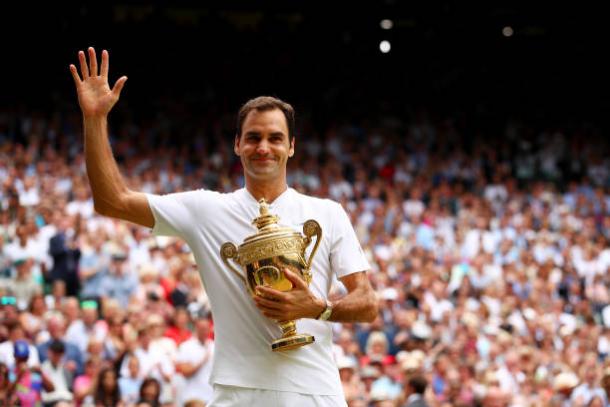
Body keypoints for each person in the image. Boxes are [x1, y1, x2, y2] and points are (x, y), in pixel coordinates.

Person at [69, 47, 378, 406]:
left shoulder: (328, 212)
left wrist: (319, 307)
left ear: (291, 147)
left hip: (315, 393)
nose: (264, 147)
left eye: (275, 138)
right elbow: (112, 201)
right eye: (253, 137)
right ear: (237, 145)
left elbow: (367, 303)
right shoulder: (206, 209)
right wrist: (94, 119)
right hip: (237, 393)